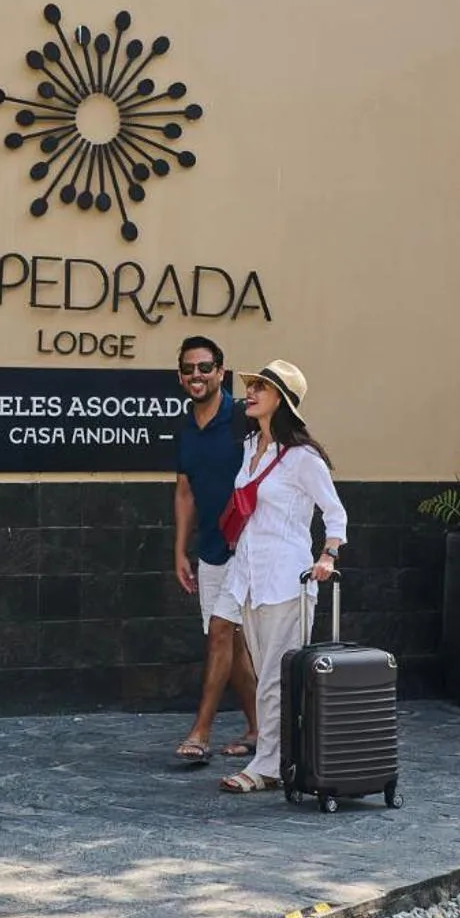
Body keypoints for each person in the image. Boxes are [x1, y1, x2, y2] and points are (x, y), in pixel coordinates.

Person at [217, 360, 345, 795]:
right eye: (251, 386)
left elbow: (335, 513)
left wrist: (327, 555)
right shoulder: (251, 447)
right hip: (250, 578)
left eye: (261, 388)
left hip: (287, 580)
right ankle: (277, 757)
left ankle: (267, 765)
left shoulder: (302, 458)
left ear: (282, 401)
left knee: (275, 677)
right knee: (265, 675)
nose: (250, 393)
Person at [170, 336, 258, 765]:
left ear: (221, 372)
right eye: (189, 369)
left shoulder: (244, 419)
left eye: (205, 367)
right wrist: (179, 550)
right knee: (232, 645)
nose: (197, 375)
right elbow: (184, 491)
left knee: (222, 632)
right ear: (180, 376)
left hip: (249, 547)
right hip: (209, 549)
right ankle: (260, 730)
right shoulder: (186, 427)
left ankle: (200, 732)